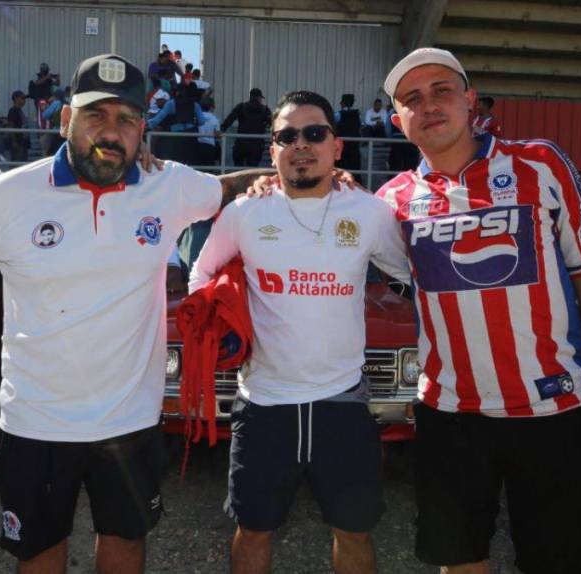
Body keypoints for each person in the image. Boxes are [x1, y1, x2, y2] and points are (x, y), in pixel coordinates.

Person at [0, 53, 272, 574]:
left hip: (129, 420)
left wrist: (306, 178)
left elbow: (226, 188)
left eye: (126, 119)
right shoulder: (6, 196)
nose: (112, 131)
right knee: (38, 553)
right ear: (65, 121)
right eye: (95, 116)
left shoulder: (166, 185)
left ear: (142, 129)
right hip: (37, 421)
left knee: (126, 545)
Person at [376, 47, 581, 574]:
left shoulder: (540, 164)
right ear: (397, 121)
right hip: (450, 415)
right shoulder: (390, 201)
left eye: (441, 91)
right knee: (460, 561)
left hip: (553, 410)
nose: (428, 106)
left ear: (470, 100)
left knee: (560, 561)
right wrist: (263, 182)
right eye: (411, 100)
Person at [190, 90, 409, 574]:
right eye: (287, 136)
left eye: (314, 133)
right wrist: (226, 326)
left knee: (353, 531)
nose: (301, 144)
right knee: (253, 530)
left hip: (343, 403)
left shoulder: (369, 213)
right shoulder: (246, 213)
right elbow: (201, 277)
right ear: (273, 151)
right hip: (265, 404)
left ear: (337, 146)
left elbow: (412, 277)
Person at [222, 88, 272, 167]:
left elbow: (230, 119)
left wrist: (222, 129)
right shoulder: (265, 110)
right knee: (252, 170)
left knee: (238, 169)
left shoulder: (241, 107)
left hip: (241, 143)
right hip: (256, 145)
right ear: (259, 98)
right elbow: (272, 124)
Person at [334, 93, 363, 184]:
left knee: (342, 168)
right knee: (354, 168)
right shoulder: (357, 115)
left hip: (342, 147)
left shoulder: (338, 115)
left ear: (343, 103)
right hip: (354, 146)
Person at [6, 90, 30, 162]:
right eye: (22, 98)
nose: (24, 100)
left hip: (23, 142)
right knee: (17, 162)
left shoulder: (20, 111)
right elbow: (11, 126)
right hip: (18, 142)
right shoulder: (13, 111)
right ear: (16, 99)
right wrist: (14, 142)